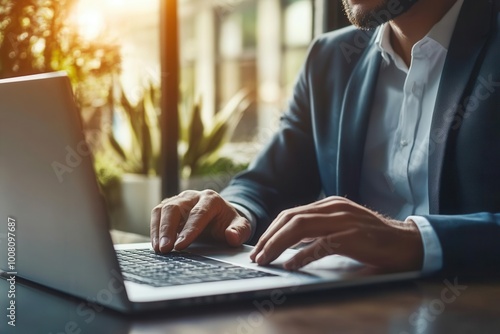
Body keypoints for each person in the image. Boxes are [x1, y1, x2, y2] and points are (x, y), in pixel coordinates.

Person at [151, 0, 500, 276]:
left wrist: (415, 241)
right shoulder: (331, 58)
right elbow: (267, 182)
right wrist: (231, 212)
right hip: (349, 310)